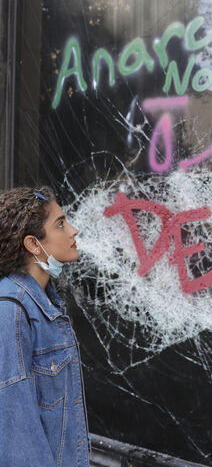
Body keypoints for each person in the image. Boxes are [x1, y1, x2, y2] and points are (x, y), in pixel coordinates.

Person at [0, 187, 90, 466]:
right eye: (60, 224)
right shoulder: (12, 309)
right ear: (33, 244)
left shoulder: (46, 303)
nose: (73, 231)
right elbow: (17, 434)